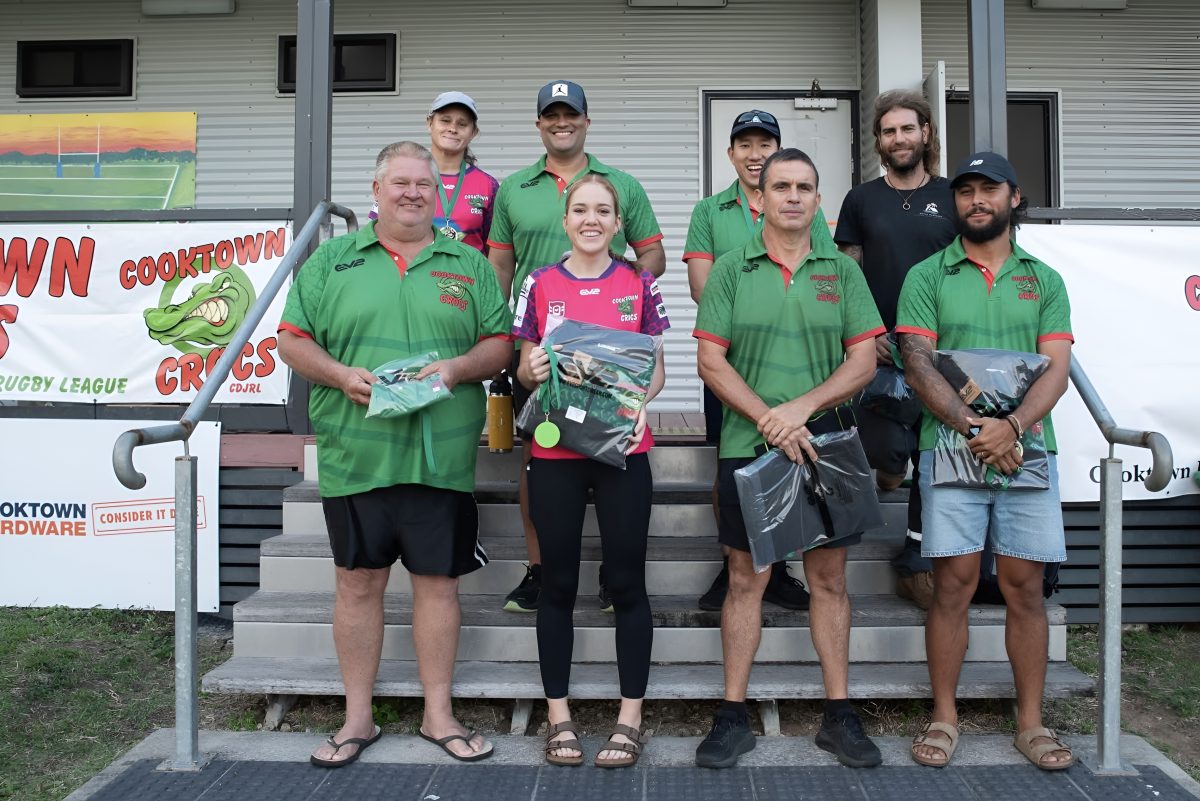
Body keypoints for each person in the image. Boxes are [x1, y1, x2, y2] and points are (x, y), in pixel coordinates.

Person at [278, 141, 511, 767]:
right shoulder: (331, 261)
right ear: (376, 190)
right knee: (357, 585)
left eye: (423, 184)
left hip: (441, 456)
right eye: (400, 183)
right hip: (357, 452)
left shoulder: (468, 263)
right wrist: (337, 375)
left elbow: (499, 346)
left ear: (437, 192)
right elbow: (292, 342)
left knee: (439, 586)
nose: (412, 193)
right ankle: (359, 719)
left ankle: (439, 714)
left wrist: (461, 366)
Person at [692, 148, 886, 769]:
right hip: (750, 446)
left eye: (804, 187)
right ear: (763, 197)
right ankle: (731, 715)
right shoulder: (729, 268)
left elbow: (864, 360)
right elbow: (710, 360)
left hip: (826, 446)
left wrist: (798, 409)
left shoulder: (844, 272)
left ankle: (838, 713)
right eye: (782, 187)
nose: (793, 197)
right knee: (747, 580)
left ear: (818, 199)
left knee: (829, 580)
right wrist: (768, 419)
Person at [896, 151, 1075, 771]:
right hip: (950, 448)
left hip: (1028, 450)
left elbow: (1057, 367)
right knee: (953, 586)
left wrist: (1015, 427)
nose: (976, 200)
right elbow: (917, 362)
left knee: (1026, 589)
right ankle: (944, 717)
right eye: (965, 190)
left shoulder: (1044, 279)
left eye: (988, 190)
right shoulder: (926, 276)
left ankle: (1031, 723)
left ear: (1014, 198)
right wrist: (977, 427)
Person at [488, 80, 666, 613]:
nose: (561, 122)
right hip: (543, 347)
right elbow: (501, 264)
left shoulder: (622, 184)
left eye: (571, 114)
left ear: (587, 121)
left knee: (614, 452)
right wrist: (511, 336)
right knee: (538, 457)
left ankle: (617, 575)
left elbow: (651, 254)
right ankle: (542, 569)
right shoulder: (514, 188)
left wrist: (625, 293)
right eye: (551, 115)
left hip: (609, 353)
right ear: (539, 123)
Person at [512, 173, 668, 768]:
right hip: (555, 454)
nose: (592, 219)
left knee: (626, 582)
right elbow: (524, 371)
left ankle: (630, 718)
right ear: (565, 218)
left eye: (603, 210)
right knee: (557, 585)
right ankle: (559, 716)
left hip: (624, 451)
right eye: (581, 209)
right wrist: (529, 367)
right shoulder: (540, 283)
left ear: (618, 221)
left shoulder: (639, 282)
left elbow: (653, 368)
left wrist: (641, 405)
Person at [684, 109, 833, 613]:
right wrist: (734, 341)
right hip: (730, 364)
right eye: (744, 144)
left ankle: (782, 565)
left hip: (793, 368)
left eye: (764, 144)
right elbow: (703, 287)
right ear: (731, 154)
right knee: (728, 463)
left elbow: (823, 275)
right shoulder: (710, 212)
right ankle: (736, 564)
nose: (754, 153)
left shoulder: (801, 207)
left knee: (791, 460)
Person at [835, 90, 956, 610]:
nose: (899, 139)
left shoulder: (953, 197)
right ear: (879, 142)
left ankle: (917, 560)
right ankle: (889, 472)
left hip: (939, 350)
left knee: (933, 453)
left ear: (926, 134)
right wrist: (868, 333)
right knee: (888, 450)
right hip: (881, 351)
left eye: (908, 129)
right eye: (888, 132)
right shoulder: (861, 200)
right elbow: (847, 273)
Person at [368, 91, 499, 254]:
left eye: (462, 124)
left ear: (473, 132)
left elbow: (495, 249)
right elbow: (375, 232)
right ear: (429, 123)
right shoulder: (401, 174)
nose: (452, 129)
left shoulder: (487, 185)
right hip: (410, 274)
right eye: (445, 121)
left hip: (467, 277)